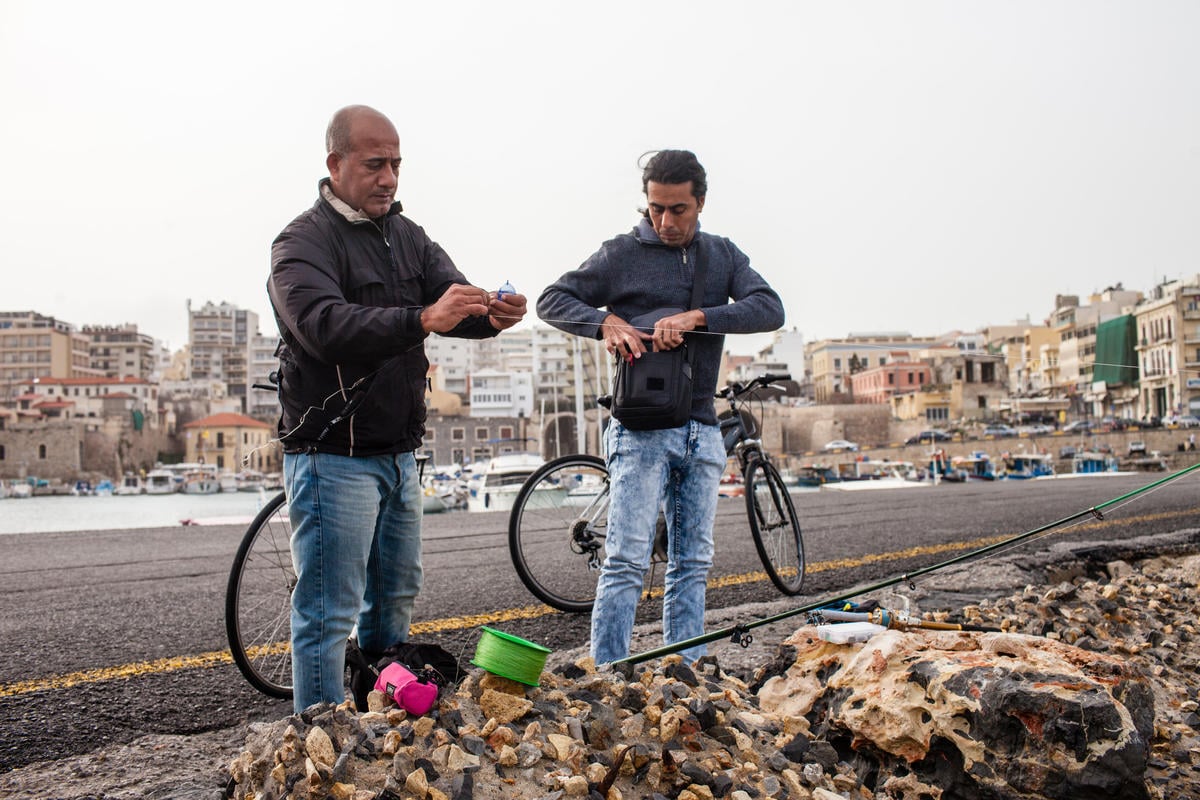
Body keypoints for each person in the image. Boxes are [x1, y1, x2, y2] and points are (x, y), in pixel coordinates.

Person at [268, 105, 527, 711]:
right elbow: (321, 326)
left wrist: (493, 315)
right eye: (374, 164)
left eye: (396, 165)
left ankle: (380, 711)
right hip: (332, 453)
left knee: (393, 600)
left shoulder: (408, 237)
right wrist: (421, 318)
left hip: (398, 452)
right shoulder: (301, 241)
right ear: (336, 164)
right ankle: (319, 740)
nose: (389, 178)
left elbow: (453, 301)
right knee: (329, 612)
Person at [536, 150, 785, 665]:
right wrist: (605, 324)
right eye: (655, 208)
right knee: (626, 560)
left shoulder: (723, 255)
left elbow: (770, 308)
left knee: (692, 562)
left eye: (678, 210)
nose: (665, 221)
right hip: (639, 429)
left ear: (701, 204)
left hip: (701, 427)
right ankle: (607, 675)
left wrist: (699, 316)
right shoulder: (620, 253)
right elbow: (551, 299)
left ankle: (685, 675)